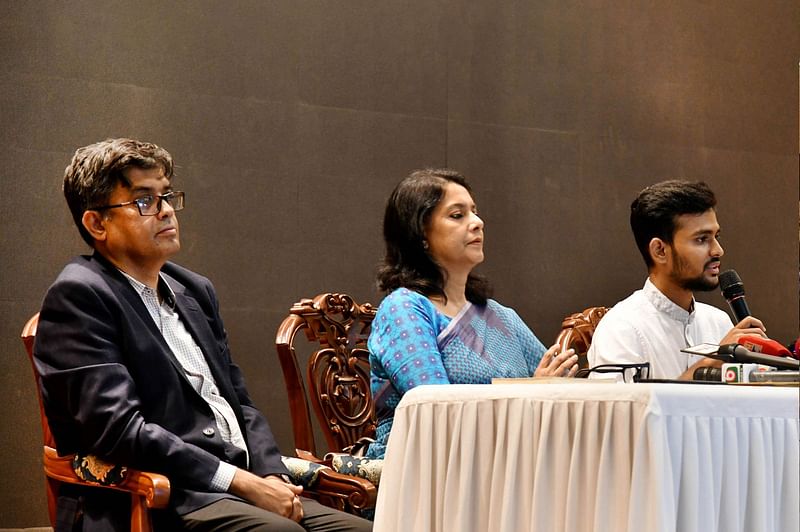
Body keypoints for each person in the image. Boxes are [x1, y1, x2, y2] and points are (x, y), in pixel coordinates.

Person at [34, 138, 372, 532]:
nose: (165, 212)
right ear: (97, 224)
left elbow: (240, 402)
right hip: (161, 496)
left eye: (167, 196)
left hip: (240, 486)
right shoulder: (80, 296)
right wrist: (240, 481)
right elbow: (120, 431)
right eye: (144, 201)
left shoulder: (192, 289)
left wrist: (271, 477)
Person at [365, 168, 579, 459]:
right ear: (420, 234)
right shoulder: (405, 309)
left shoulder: (499, 315)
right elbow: (437, 410)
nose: (477, 222)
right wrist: (528, 393)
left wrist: (549, 386)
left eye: (475, 212)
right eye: (457, 215)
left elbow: (551, 387)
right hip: (425, 469)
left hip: (506, 462)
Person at [587, 179, 767, 381]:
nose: (718, 250)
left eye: (716, 236)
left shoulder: (719, 322)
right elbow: (624, 411)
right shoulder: (622, 329)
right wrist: (710, 363)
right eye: (701, 239)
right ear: (660, 250)